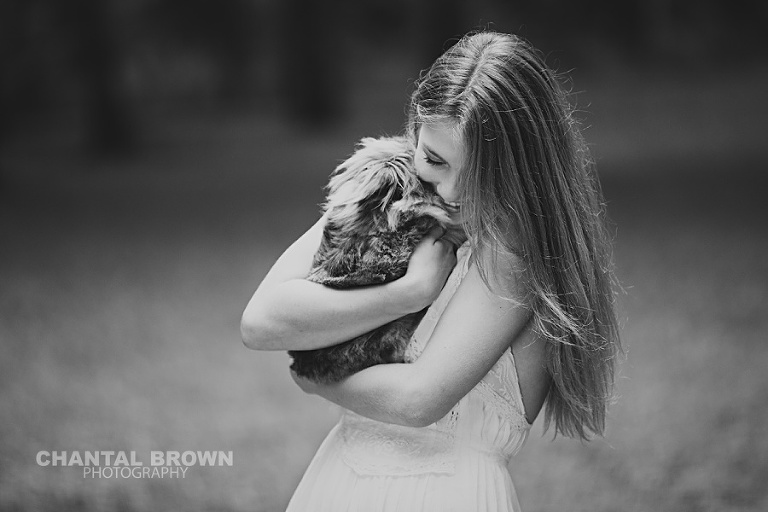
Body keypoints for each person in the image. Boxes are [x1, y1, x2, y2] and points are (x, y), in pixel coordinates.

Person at [241, 31, 621, 512]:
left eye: (480, 172)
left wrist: (317, 379)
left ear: (522, 167)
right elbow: (259, 323)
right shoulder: (389, 188)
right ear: (415, 131)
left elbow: (420, 399)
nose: (451, 193)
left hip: (443, 493)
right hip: (340, 482)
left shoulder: (516, 251)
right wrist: (408, 292)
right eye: (435, 160)